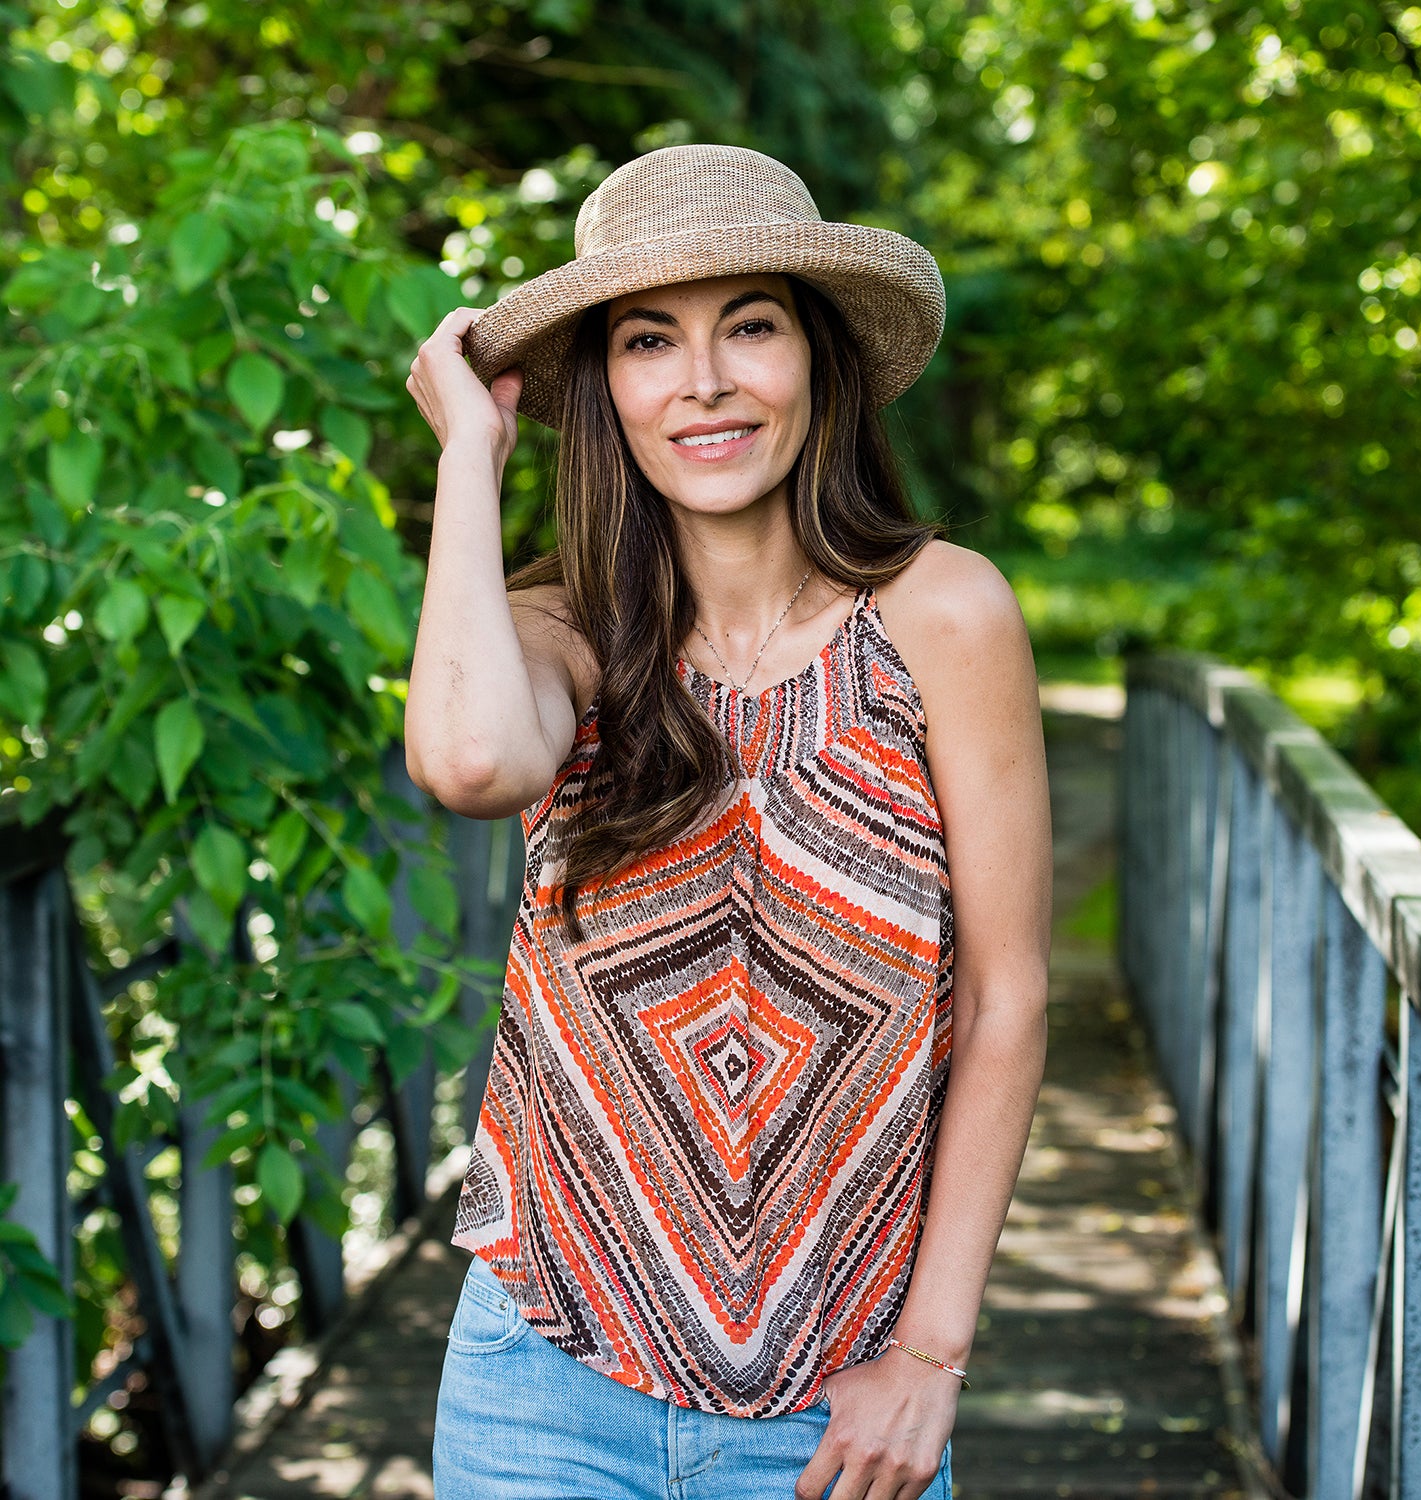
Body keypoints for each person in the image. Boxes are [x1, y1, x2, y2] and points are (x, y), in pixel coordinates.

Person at [402, 143, 1051, 1500]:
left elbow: (1004, 997)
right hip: (543, 1383)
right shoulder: (561, 631)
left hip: (845, 1399)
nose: (703, 380)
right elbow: (467, 763)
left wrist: (932, 1359)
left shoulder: (943, 616)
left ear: (816, 359)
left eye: (748, 326)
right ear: (604, 394)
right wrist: (473, 453)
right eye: (650, 342)